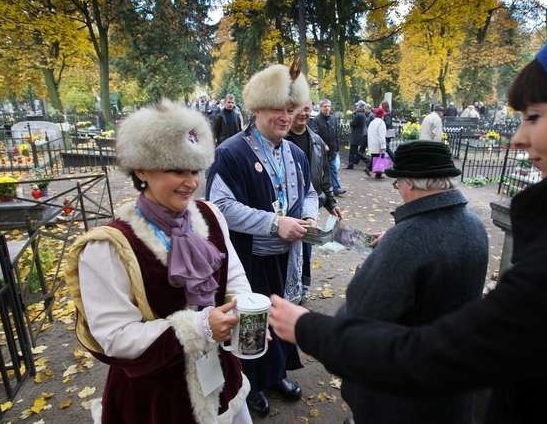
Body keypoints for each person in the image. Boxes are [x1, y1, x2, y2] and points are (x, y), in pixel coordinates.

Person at [268, 11, 547, 424]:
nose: (519, 138)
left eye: (534, 116)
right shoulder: (474, 223)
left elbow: (399, 331)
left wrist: (309, 327)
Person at [64, 100, 252, 424]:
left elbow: (234, 277)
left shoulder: (210, 215)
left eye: (195, 170)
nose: (191, 182)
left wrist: (244, 311)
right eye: (176, 170)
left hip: (221, 379)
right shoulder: (106, 247)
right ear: (141, 170)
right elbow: (115, 337)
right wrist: (200, 328)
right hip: (155, 400)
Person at [342, 140, 488, 423]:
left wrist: (371, 267)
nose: (398, 191)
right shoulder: (474, 225)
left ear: (409, 183)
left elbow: (362, 311)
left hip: (403, 385)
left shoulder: (406, 239)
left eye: (397, 184)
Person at [206, 62, 319, 417]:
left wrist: (310, 213)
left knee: (280, 316)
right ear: (257, 108)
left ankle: (276, 374)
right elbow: (219, 206)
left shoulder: (296, 153)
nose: (285, 117)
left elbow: (310, 191)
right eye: (276, 109)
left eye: (290, 109)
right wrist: (274, 223)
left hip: (289, 256)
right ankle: (247, 384)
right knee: (250, 322)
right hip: (249, 258)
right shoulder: (231, 152)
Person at [286, 100, 343, 302]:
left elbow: (323, 175)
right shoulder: (280, 138)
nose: (302, 113)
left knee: (306, 248)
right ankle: (285, 287)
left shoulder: (316, 140)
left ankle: (302, 285)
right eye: (298, 109)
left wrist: (331, 203)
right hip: (285, 205)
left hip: (310, 203)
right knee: (285, 249)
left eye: (307, 109)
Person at [310, 98, 346, 196]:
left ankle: (336, 188)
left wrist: (337, 146)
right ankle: (320, 189)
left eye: (328, 106)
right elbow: (315, 135)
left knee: (333, 168)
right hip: (322, 151)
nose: (327, 108)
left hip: (333, 150)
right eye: (325, 106)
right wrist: (323, 145)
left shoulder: (333, 119)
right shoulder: (316, 120)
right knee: (321, 171)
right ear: (321, 107)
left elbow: (337, 133)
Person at [365, 107, 387, 179]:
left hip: (372, 143)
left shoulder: (372, 122)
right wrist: (383, 145)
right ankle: (378, 174)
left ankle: (374, 172)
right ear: (382, 115)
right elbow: (382, 135)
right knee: (380, 158)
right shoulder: (381, 123)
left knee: (375, 157)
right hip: (378, 143)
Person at [347, 102, 368, 169]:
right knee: (353, 150)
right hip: (359, 134)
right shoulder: (362, 114)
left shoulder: (358, 115)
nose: (356, 107)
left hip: (356, 135)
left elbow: (352, 124)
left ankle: (367, 160)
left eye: (357, 106)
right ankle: (351, 164)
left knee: (354, 151)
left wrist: (350, 121)